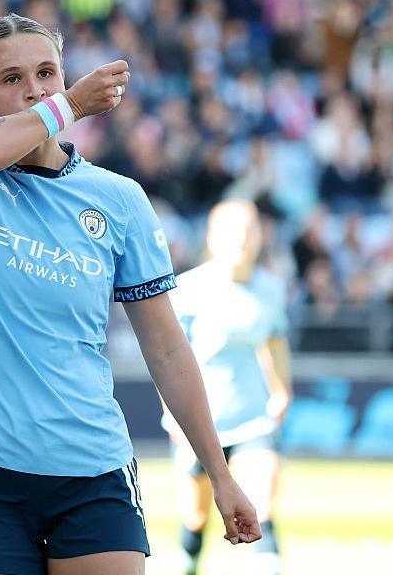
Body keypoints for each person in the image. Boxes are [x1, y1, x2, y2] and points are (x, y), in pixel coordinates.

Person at [0, 14, 261, 575]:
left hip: (93, 467)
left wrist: (219, 474)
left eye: (47, 73)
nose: (34, 88)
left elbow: (168, 349)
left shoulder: (119, 198)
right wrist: (71, 105)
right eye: (11, 79)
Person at [168, 200, 291, 575]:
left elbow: (275, 339)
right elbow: (169, 358)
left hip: (253, 417)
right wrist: (173, 415)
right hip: (201, 422)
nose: (242, 239)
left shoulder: (271, 288)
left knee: (263, 505)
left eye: (249, 230)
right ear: (213, 238)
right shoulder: (188, 289)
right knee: (196, 517)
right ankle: (190, 561)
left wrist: (282, 390)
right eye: (233, 231)